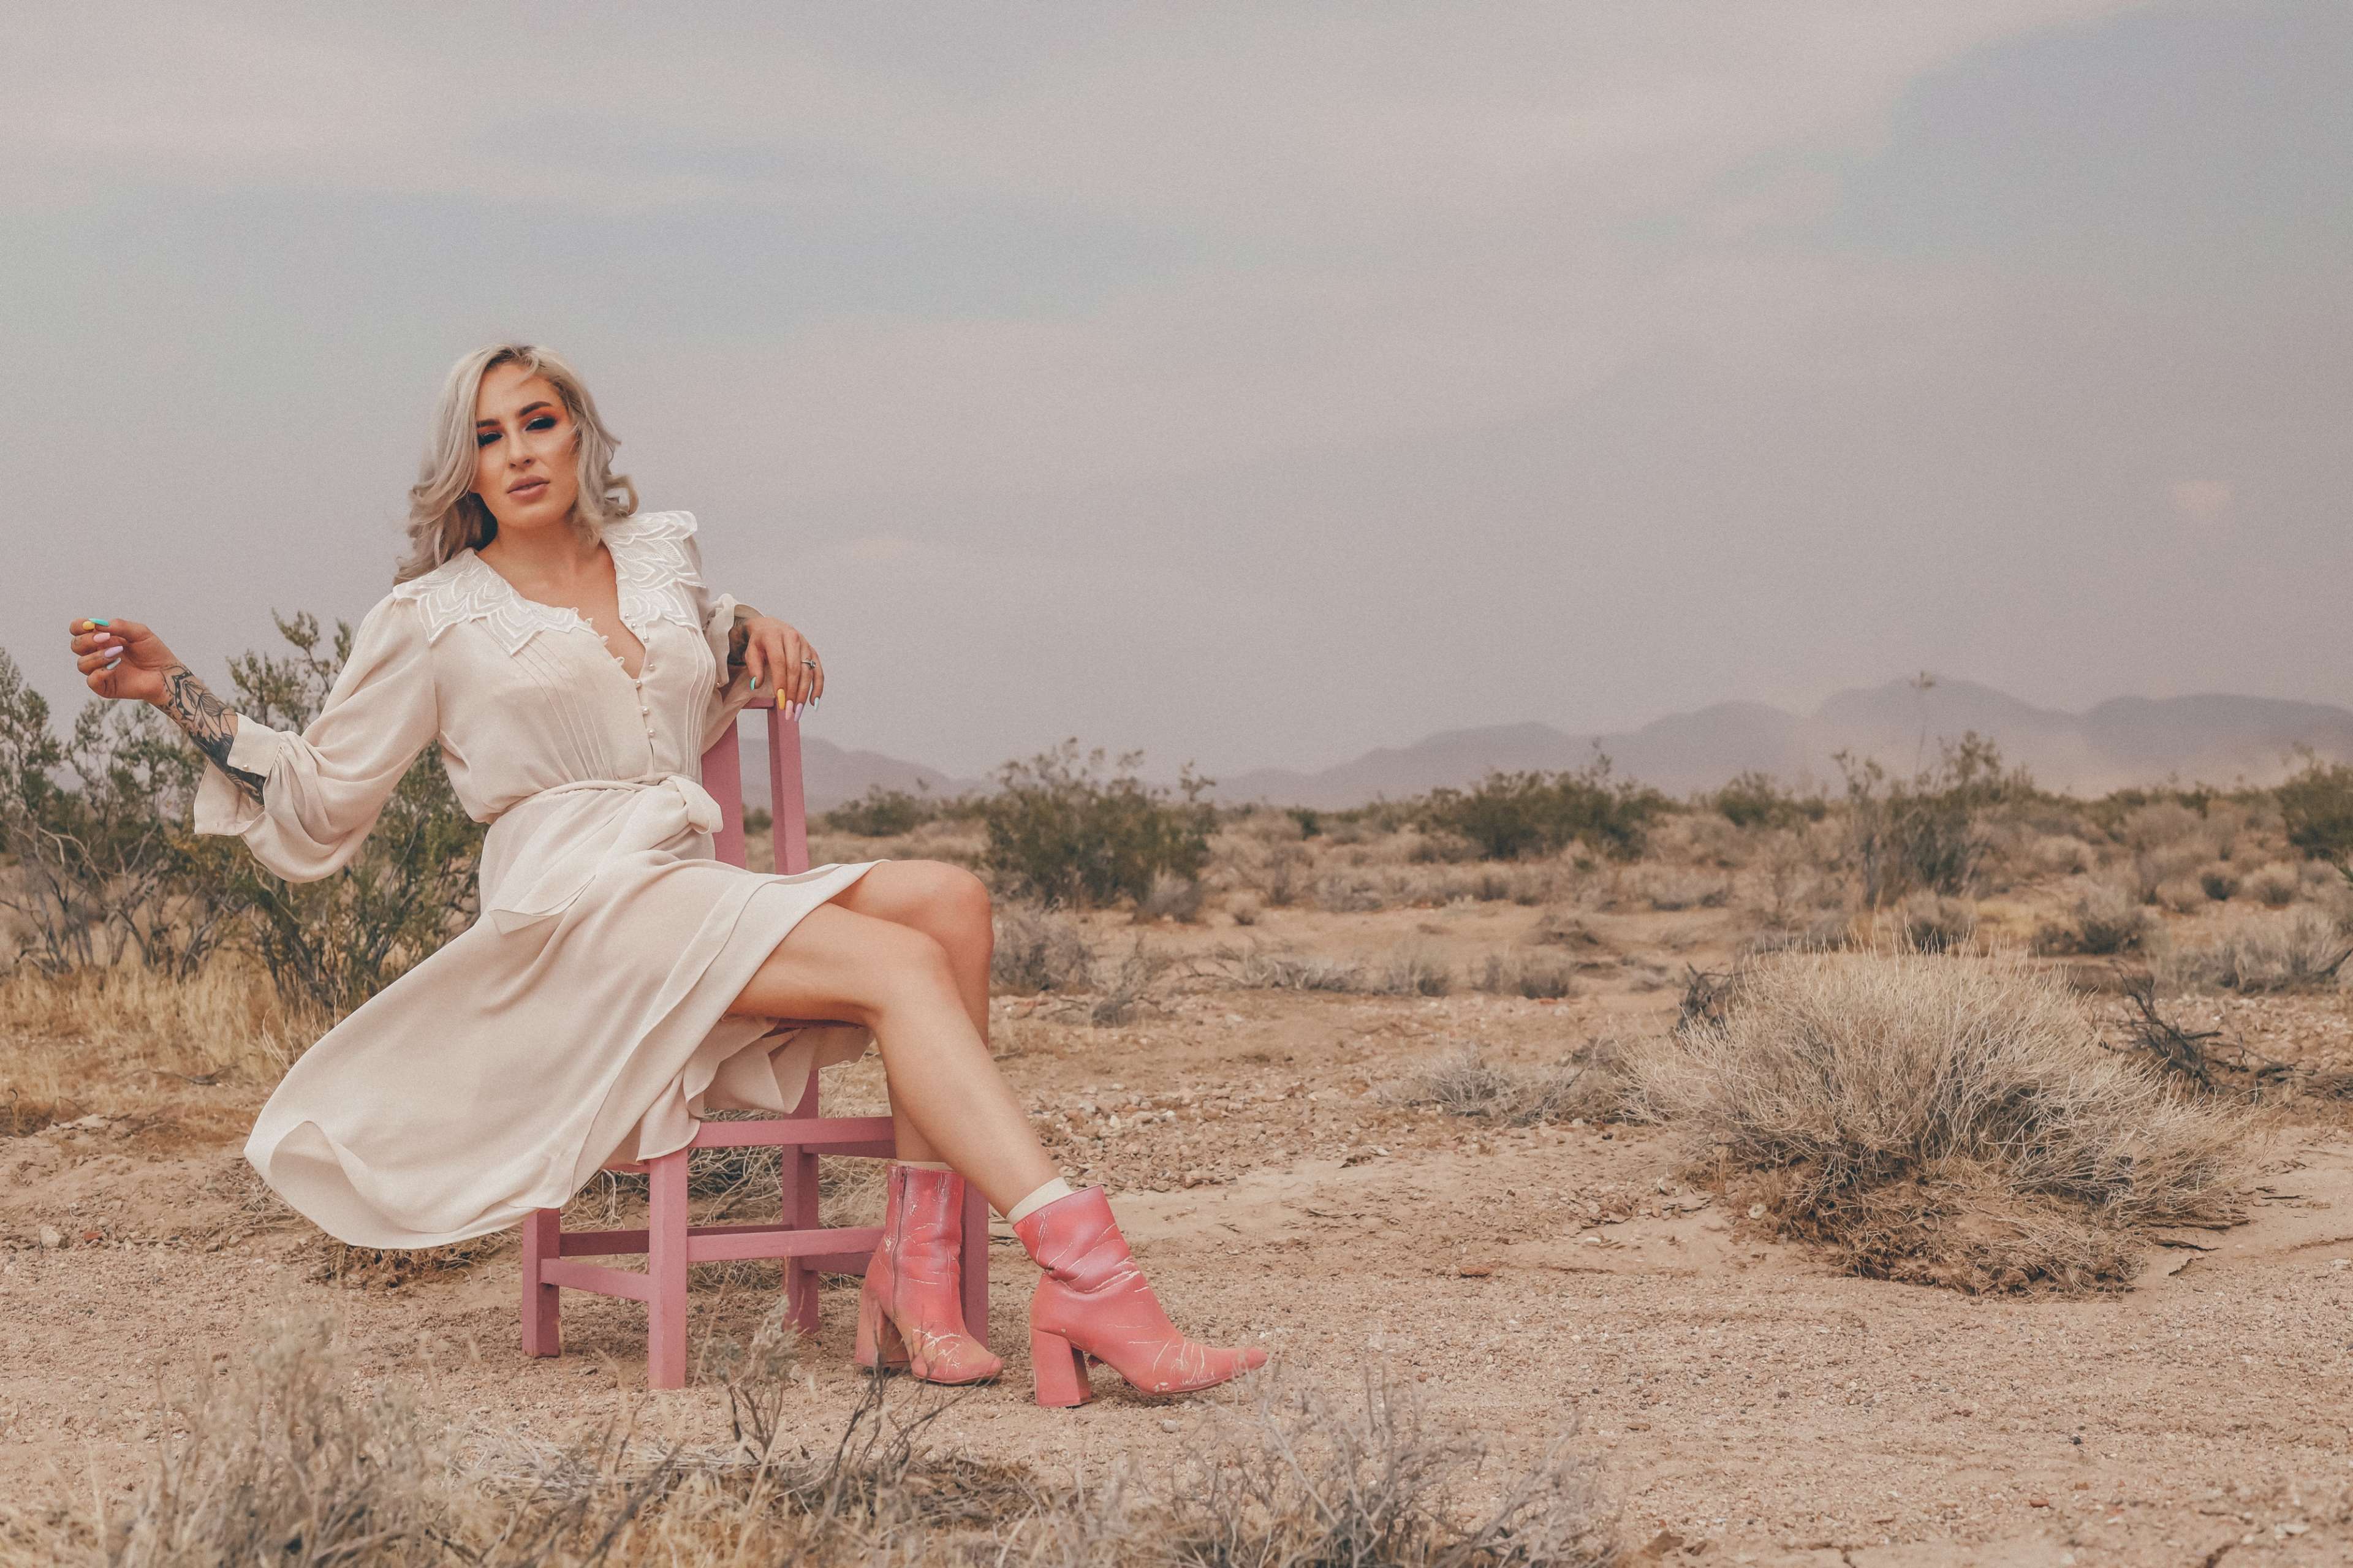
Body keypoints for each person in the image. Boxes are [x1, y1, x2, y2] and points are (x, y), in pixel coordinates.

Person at [63, 342, 1263, 1407]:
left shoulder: (658, 553)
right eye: (488, 436)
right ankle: (1093, 1276)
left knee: (952, 901)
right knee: (900, 962)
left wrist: (754, 621)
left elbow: (694, 655)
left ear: (580, 432)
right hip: (577, 909)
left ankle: (912, 1270)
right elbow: (323, 797)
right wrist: (179, 690)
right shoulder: (430, 616)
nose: (520, 451)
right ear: (463, 470)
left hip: (681, 879)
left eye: (539, 421)